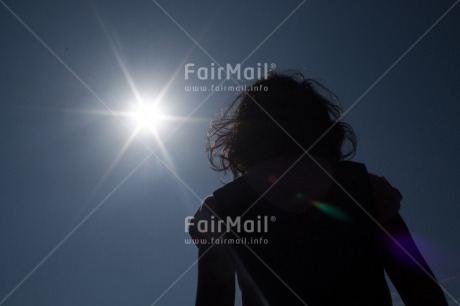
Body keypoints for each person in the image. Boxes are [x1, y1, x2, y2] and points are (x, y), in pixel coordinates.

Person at [188, 72, 448, 305]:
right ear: (322, 125)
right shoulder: (369, 189)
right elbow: (423, 292)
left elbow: (213, 300)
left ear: (243, 136)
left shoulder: (219, 209)